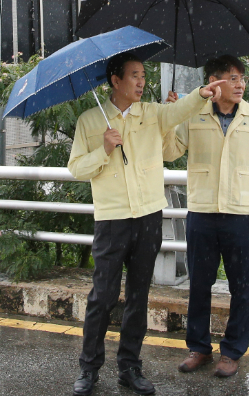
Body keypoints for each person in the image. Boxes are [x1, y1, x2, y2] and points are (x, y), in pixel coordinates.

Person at [68, 52, 225, 396]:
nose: (141, 82)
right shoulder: (91, 121)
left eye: (143, 75)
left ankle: (130, 368)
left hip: (149, 216)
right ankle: (88, 369)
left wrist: (200, 94)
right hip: (111, 220)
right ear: (115, 81)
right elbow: (77, 168)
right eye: (134, 76)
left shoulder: (152, 114)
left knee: (139, 297)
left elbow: (178, 112)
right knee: (103, 297)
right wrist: (104, 150)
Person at [162, 54, 249, 378]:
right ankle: (199, 348)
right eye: (232, 78)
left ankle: (232, 352)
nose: (240, 84)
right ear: (214, 81)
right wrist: (171, 116)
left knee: (241, 287)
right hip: (202, 211)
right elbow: (171, 152)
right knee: (199, 284)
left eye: (242, 78)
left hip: (240, 213)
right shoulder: (193, 111)